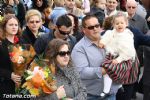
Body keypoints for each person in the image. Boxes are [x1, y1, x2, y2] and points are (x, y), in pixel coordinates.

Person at [71, 14, 120, 100]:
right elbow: (81, 72)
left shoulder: (109, 40)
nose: (95, 29)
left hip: (112, 92)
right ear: (84, 30)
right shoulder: (79, 48)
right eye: (91, 27)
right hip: (92, 96)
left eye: (97, 25)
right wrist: (105, 69)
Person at [99, 11, 136, 98]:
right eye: (117, 23)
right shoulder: (111, 32)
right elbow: (106, 37)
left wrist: (119, 59)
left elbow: (129, 52)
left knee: (108, 70)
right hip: (112, 55)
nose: (119, 25)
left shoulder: (127, 35)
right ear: (113, 24)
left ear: (126, 23)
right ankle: (119, 85)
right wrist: (102, 42)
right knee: (107, 70)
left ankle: (106, 90)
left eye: (121, 23)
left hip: (124, 59)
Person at [0, 15, 21, 98]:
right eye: (11, 25)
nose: (14, 27)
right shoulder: (1, 43)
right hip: (4, 84)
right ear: (4, 27)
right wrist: (9, 75)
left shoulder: (21, 41)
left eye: (16, 25)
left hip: (20, 84)